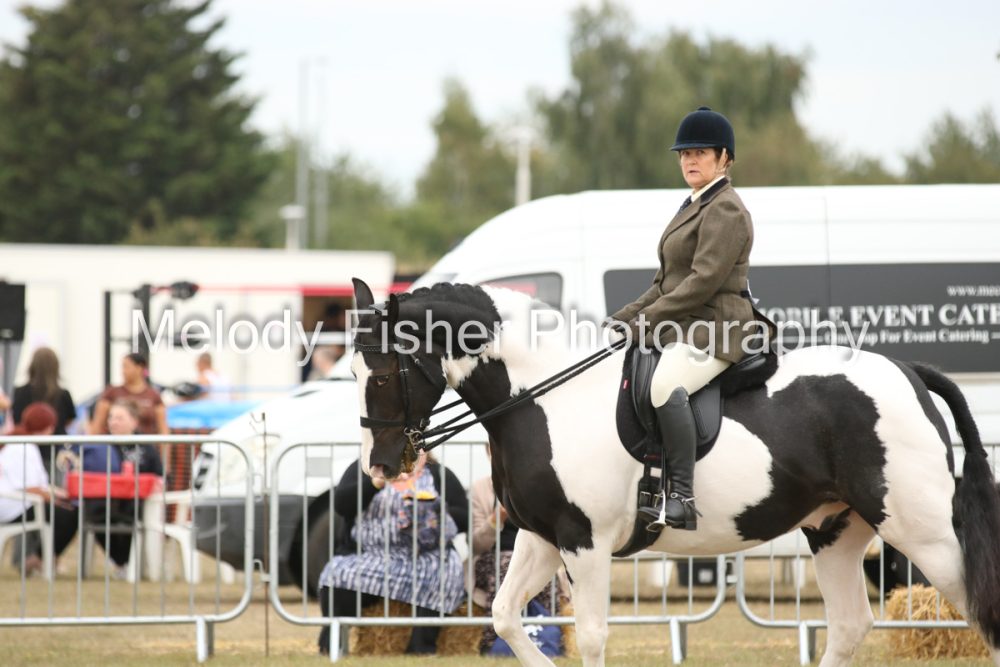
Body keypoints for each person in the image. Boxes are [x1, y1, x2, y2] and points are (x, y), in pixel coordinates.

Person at [608, 107, 774, 532]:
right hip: (690, 325)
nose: (689, 160)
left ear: (724, 158)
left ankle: (681, 495)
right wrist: (623, 319)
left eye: (699, 152)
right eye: (684, 154)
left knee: (665, 385)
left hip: (719, 328)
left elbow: (701, 283)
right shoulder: (694, 204)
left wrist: (647, 322)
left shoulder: (726, 209)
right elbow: (665, 283)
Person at [316, 450, 468, 655]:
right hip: (371, 556)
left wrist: (434, 511)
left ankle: (421, 649)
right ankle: (332, 644)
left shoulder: (439, 474)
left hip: (425, 556)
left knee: (446, 573)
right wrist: (375, 484)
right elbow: (342, 505)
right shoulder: (365, 469)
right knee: (336, 573)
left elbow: (464, 516)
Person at [469, 467, 569, 655]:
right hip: (493, 556)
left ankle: (553, 639)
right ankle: (492, 641)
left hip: (532, 556)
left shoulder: (535, 486)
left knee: (549, 576)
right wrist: (495, 519)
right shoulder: (480, 489)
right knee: (506, 567)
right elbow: (477, 544)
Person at [82, 398, 164, 575]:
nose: (113, 422)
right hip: (106, 501)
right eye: (111, 417)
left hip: (137, 503)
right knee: (95, 514)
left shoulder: (146, 446)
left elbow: (160, 476)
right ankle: (121, 562)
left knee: (132, 515)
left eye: (119, 418)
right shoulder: (101, 446)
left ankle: (129, 562)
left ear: (134, 422)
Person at [0, 402, 78, 576]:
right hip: (14, 506)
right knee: (69, 516)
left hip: (19, 503)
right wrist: (56, 499)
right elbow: (30, 488)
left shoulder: (20, 442)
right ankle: (39, 559)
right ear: (48, 427)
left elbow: (36, 486)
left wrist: (58, 495)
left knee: (66, 512)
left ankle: (42, 558)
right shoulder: (22, 446)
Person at [88, 353, 170, 477]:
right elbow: (97, 425)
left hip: (145, 454)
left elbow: (163, 429)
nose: (123, 371)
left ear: (139, 368)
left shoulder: (153, 396)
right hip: (114, 452)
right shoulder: (111, 393)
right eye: (122, 367)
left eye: (126, 367)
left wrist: (166, 462)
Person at [11, 347, 77, 472]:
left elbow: (16, 419)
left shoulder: (20, 392)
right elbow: (69, 420)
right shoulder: (63, 394)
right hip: (55, 452)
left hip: (26, 451)